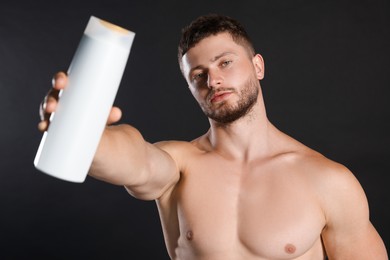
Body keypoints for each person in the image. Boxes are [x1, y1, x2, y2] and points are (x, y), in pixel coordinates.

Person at [38, 14, 388, 259]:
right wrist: (83, 132)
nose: (213, 81)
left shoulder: (327, 181)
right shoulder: (180, 165)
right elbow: (136, 161)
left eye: (225, 63)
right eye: (198, 75)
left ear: (258, 66)